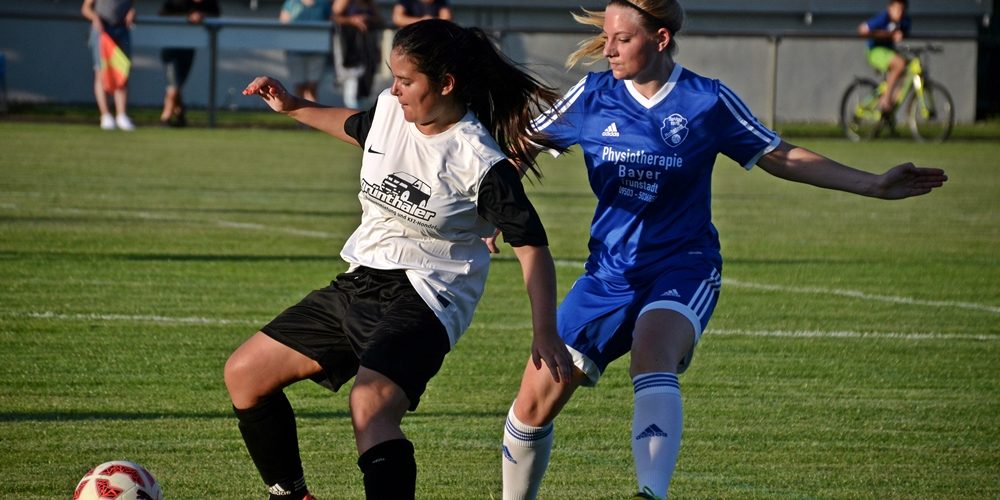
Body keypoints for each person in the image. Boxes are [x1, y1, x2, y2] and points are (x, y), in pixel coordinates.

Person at [496, 1, 948, 499]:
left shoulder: (705, 100)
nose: (608, 49)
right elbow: (522, 147)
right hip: (607, 275)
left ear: (661, 39)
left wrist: (873, 185)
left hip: (683, 267)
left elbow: (780, 155)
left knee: (651, 353)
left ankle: (651, 494)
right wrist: (497, 210)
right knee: (532, 407)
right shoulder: (594, 94)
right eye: (606, 37)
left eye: (621, 39)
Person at [225, 18, 574, 500]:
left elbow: (532, 247)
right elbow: (357, 128)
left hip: (428, 297)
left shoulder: (478, 159)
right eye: (393, 77)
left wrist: (544, 331)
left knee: (369, 404)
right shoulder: (391, 110)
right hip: (361, 279)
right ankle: (290, 495)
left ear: (446, 84)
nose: (395, 89)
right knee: (245, 374)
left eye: (406, 80)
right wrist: (293, 106)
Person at [158, 0, 221, 127]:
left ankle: (180, 113)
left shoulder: (209, 4)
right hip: (171, 45)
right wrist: (186, 18)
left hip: (189, 47)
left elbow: (216, 15)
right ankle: (166, 116)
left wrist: (203, 16)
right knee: (174, 84)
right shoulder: (176, 3)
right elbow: (162, 14)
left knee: (178, 83)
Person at [81, 0, 136, 131]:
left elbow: (131, 6)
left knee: (121, 72)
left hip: (122, 29)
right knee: (101, 72)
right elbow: (85, 8)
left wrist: (132, 12)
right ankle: (105, 115)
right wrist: (95, 18)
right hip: (102, 31)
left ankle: (121, 114)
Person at [858, 0, 911, 113]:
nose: (899, 13)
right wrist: (889, 34)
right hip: (875, 51)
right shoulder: (883, 18)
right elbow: (862, 29)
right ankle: (885, 99)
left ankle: (890, 104)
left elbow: (904, 32)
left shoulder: (904, 21)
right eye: (897, 9)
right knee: (899, 64)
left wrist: (901, 34)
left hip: (889, 51)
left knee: (909, 70)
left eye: (902, 9)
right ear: (890, 8)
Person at [331, 0, 382, 108]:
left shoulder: (369, 3)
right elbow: (333, 17)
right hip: (348, 46)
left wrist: (367, 19)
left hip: (366, 47)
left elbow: (379, 19)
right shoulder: (343, 2)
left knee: (365, 78)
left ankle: (360, 110)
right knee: (351, 77)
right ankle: (352, 110)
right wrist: (351, 20)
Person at [280, 0, 332, 104]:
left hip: (317, 52)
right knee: (299, 87)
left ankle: (313, 118)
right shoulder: (291, 3)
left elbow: (331, 23)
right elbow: (283, 25)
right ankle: (300, 118)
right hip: (295, 52)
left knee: (312, 88)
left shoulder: (323, 4)